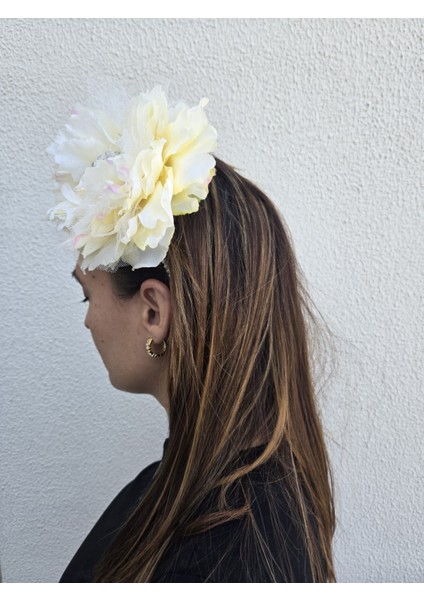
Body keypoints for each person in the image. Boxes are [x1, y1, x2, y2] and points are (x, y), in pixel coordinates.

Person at [48, 87, 336, 583]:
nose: (88, 321)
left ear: (154, 311)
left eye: (86, 296)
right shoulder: (217, 495)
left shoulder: (225, 549)